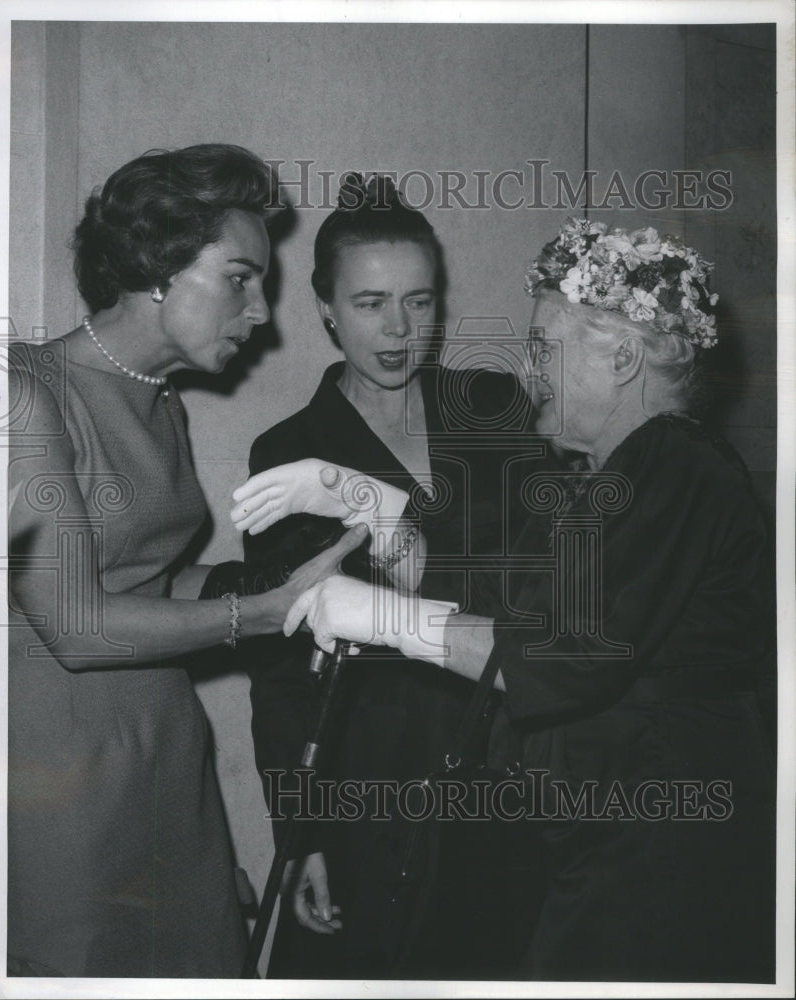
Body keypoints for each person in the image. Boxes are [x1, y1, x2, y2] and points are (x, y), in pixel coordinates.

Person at [274, 218, 777, 982]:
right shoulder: (624, 473)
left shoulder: (674, 463)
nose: (530, 370)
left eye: (546, 346)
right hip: (611, 838)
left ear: (622, 357)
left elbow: (557, 656)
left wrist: (383, 617)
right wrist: (386, 515)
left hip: (660, 846)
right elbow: (513, 611)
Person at [6, 144, 367, 978]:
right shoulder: (22, 394)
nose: (263, 313)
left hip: (165, 762)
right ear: (160, 269)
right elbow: (79, 626)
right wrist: (265, 614)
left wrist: (298, 583)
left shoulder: (160, 398)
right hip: (58, 782)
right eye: (240, 279)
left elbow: (155, 582)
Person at [231, 174, 544, 978]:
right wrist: (302, 836)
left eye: (420, 300)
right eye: (370, 303)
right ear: (326, 308)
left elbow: (543, 586)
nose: (400, 329)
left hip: (507, 761)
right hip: (369, 779)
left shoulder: (494, 404)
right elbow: (279, 669)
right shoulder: (288, 450)